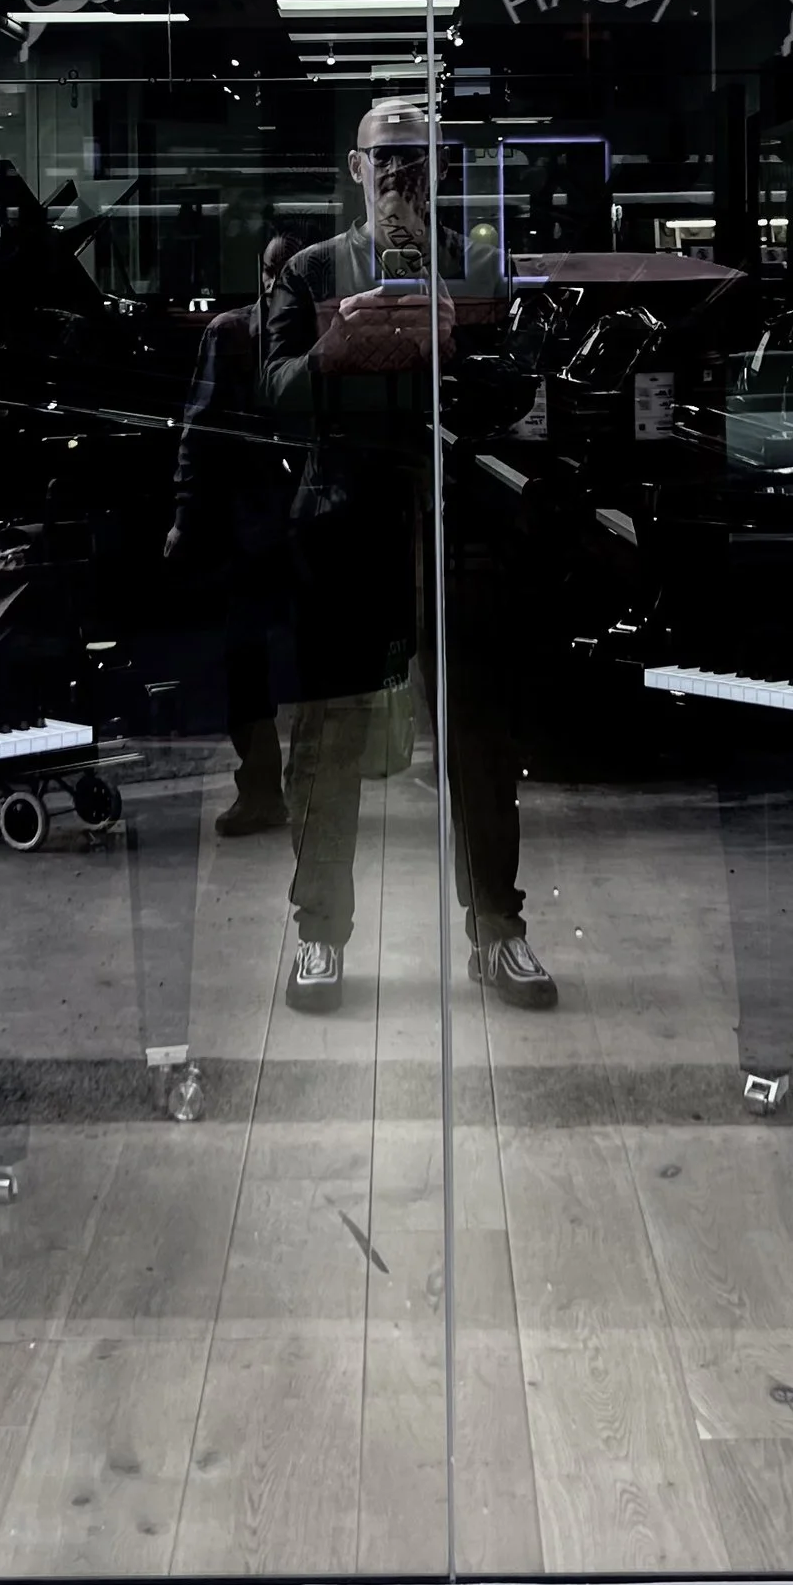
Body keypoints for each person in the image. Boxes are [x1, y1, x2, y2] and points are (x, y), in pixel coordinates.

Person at [259, 100, 558, 1017]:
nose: (398, 179)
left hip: (452, 524)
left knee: (477, 733)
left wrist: (455, 347)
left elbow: (521, 395)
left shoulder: (476, 272)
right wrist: (334, 351)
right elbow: (267, 397)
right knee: (327, 739)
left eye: (415, 162)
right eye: (384, 163)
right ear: (354, 170)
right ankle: (318, 933)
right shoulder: (307, 272)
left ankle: (497, 929)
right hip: (343, 530)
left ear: (441, 170)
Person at [166, 234, 296, 837]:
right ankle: (264, 787)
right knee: (246, 662)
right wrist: (186, 515)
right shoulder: (231, 335)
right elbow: (200, 432)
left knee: (270, 662)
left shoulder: (293, 332)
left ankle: (274, 788)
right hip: (254, 528)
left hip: (289, 525)